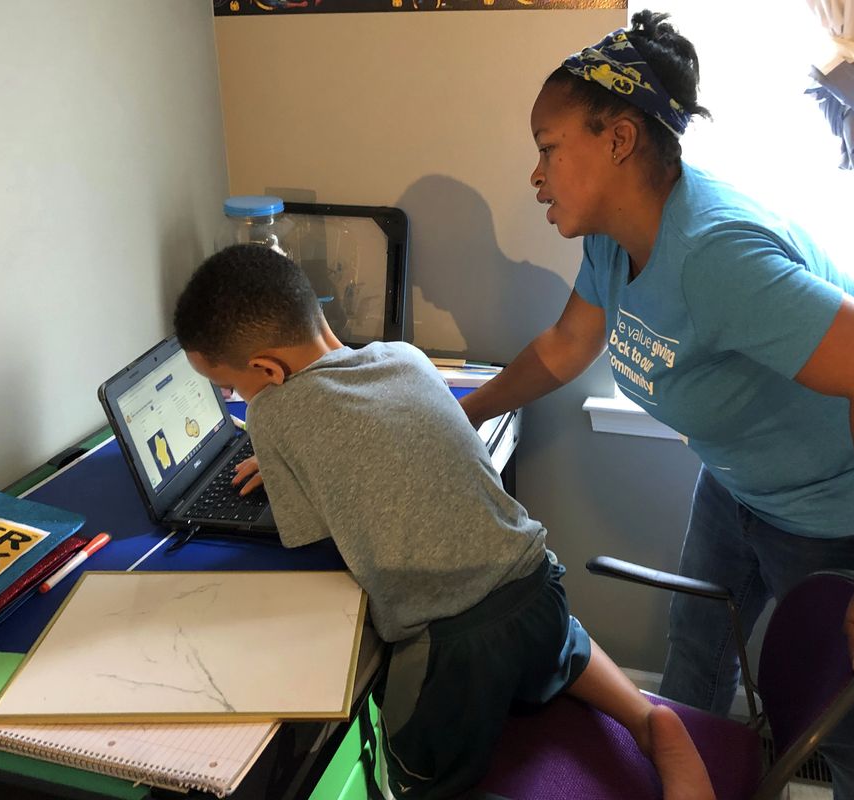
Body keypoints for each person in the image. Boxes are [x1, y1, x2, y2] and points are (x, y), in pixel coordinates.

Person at [457, 11, 854, 800]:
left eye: (548, 149)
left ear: (617, 139)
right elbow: (567, 345)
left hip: (833, 506)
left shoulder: (716, 253)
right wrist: (468, 410)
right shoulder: (613, 235)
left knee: (843, 726)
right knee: (696, 661)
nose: (536, 176)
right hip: (740, 482)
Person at [172, 243, 716, 800]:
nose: (235, 398)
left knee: (416, 779)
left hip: (453, 654)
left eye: (231, 386)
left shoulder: (271, 413)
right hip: (539, 591)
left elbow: (315, 537)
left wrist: (283, 453)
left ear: (267, 369)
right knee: (554, 643)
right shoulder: (404, 356)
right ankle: (646, 720)